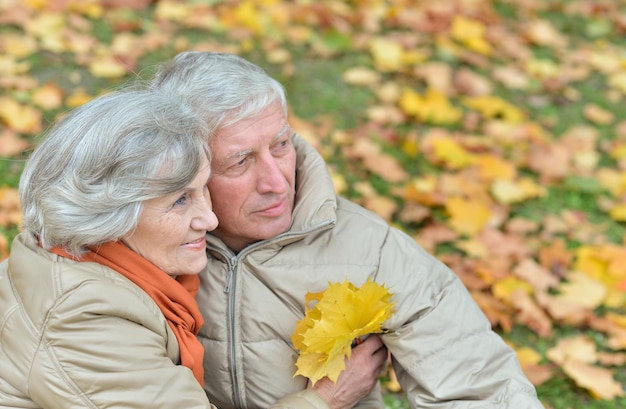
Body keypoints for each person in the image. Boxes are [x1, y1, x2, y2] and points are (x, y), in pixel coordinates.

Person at [147, 51, 546, 409]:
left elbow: (478, 385)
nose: (276, 181)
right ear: (182, 172)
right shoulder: (140, 252)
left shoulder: (368, 249)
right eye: (240, 162)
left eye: (281, 145)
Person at [0, 89, 382, 409]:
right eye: (180, 201)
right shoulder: (83, 319)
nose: (209, 219)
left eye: (203, 190)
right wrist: (327, 398)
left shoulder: (81, 261)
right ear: (109, 216)